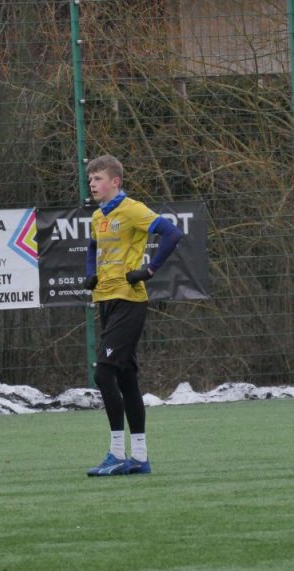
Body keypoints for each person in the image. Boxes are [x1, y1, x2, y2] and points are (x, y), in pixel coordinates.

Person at [81, 155, 184, 477]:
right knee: (126, 378)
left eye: (98, 178)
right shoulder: (98, 215)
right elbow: (92, 248)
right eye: (90, 179)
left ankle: (116, 453)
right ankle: (139, 457)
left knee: (103, 374)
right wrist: (90, 273)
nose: (92, 184)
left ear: (115, 182)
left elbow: (172, 233)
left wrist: (149, 270)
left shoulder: (133, 210)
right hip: (106, 300)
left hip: (129, 300)